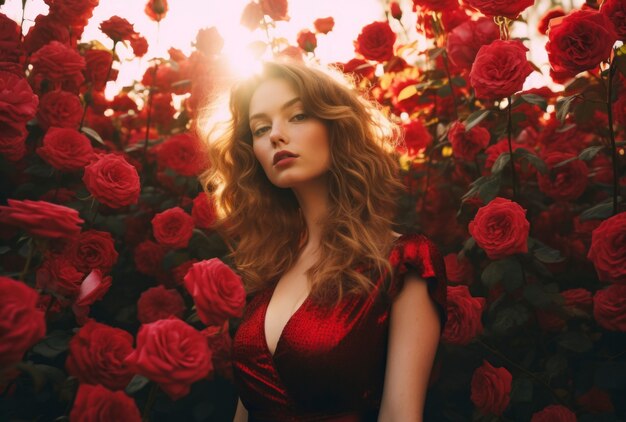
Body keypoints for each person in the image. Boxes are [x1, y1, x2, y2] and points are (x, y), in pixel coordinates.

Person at [200, 60, 447, 422]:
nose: (275, 135)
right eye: (260, 128)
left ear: (337, 126)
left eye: (297, 116)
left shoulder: (403, 260)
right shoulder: (270, 271)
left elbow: (399, 415)